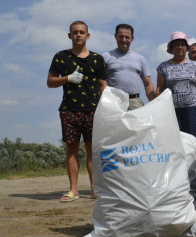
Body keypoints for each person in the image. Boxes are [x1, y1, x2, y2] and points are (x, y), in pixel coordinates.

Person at [47, 20, 106, 202]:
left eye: (82, 32)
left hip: (92, 110)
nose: (78, 35)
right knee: (71, 150)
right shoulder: (61, 57)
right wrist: (67, 78)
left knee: (91, 150)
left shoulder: (97, 59)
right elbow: (50, 82)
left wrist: (105, 107)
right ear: (69, 35)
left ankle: (94, 188)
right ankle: (73, 189)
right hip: (69, 110)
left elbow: (103, 85)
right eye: (75, 32)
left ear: (88, 36)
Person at [156, 31, 196, 137]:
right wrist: (159, 109)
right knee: (174, 139)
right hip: (171, 110)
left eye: (182, 44)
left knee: (192, 139)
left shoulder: (194, 65)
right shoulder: (163, 67)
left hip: (192, 109)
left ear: (186, 48)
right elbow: (159, 89)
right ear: (172, 48)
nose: (179, 47)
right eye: (176, 45)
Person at [102, 24, 156, 110]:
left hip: (135, 102)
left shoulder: (141, 59)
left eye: (127, 37)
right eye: (121, 36)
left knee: (137, 124)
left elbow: (148, 84)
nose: (124, 40)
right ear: (115, 36)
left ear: (132, 38)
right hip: (113, 102)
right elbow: (101, 82)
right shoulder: (105, 57)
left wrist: (154, 104)